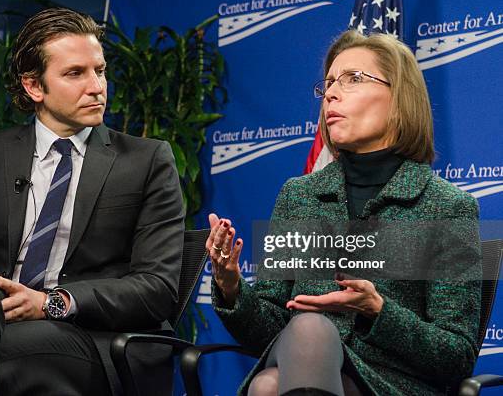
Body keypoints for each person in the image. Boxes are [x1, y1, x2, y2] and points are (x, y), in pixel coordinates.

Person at [0, 7, 184, 395]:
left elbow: (157, 288)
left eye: (99, 70)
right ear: (34, 87)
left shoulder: (147, 159)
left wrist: (52, 302)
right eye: (75, 73)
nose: (97, 86)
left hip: (92, 337)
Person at [206, 30, 481, 396]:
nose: (331, 93)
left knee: (270, 384)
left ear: (399, 96)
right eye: (329, 83)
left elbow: (456, 356)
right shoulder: (299, 196)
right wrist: (231, 286)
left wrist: (378, 309)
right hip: (303, 368)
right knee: (299, 341)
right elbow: (269, 333)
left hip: (391, 385)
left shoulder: (449, 208)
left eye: (353, 79)